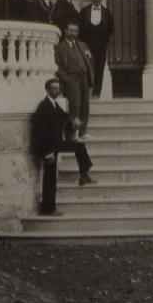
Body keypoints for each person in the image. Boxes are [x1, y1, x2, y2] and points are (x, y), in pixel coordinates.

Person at [32, 78, 95, 216]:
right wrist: (47, 153)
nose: (57, 91)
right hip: (48, 148)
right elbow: (39, 132)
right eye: (54, 88)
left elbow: (64, 116)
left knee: (78, 145)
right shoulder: (44, 107)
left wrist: (73, 120)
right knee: (50, 178)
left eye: (58, 88)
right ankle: (48, 209)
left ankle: (84, 175)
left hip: (56, 144)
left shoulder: (54, 104)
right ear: (47, 90)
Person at [54, 21, 94, 138]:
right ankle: (71, 133)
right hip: (72, 78)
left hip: (84, 78)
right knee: (74, 106)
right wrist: (66, 78)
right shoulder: (60, 47)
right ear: (66, 31)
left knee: (84, 106)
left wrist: (90, 77)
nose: (73, 33)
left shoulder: (82, 45)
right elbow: (57, 66)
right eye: (71, 30)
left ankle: (83, 131)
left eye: (75, 31)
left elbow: (90, 60)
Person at [79, 0, 114, 98]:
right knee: (86, 68)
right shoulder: (84, 11)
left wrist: (104, 42)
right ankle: (86, 91)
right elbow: (79, 29)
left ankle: (96, 93)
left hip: (100, 47)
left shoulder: (106, 12)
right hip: (87, 46)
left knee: (99, 69)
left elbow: (111, 28)